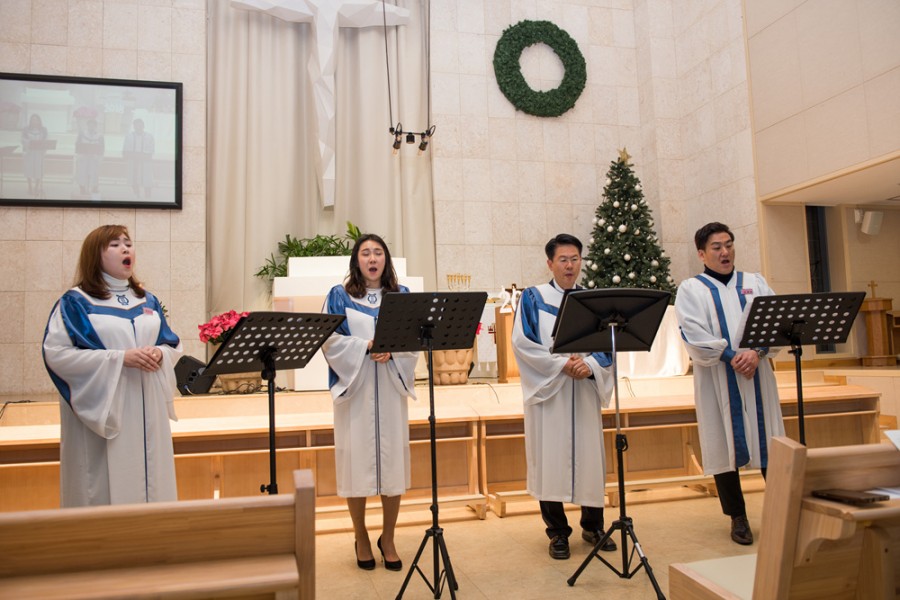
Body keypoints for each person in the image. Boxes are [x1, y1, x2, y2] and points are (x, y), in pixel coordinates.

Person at [42, 225, 182, 507]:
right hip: (106, 410)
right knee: (105, 485)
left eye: (128, 243)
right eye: (115, 244)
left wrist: (159, 354)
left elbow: (172, 345)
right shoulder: (77, 302)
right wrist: (119, 359)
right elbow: (56, 354)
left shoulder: (148, 300)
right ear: (96, 255)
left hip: (148, 410)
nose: (125, 248)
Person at [674, 222, 784, 545]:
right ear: (701, 253)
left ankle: (783, 510)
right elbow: (693, 334)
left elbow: (777, 320)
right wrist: (733, 355)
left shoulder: (755, 283)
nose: (725, 252)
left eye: (729, 244)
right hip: (719, 377)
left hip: (758, 374)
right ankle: (737, 516)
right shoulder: (691, 290)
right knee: (724, 441)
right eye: (717, 247)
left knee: (771, 441)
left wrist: (757, 352)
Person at [512, 233, 617, 560]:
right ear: (550, 263)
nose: (570, 266)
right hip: (550, 393)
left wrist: (589, 364)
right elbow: (523, 344)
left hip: (584, 388)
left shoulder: (594, 300)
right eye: (563, 260)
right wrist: (561, 365)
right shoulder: (533, 298)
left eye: (575, 259)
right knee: (549, 459)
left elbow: (609, 345)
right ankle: (557, 532)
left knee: (589, 458)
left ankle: (593, 525)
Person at [321, 233, 418, 571]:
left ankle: (388, 537)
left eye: (378, 253)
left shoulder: (402, 296)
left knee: (392, 466)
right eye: (366, 253)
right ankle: (361, 535)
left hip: (391, 388)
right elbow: (329, 340)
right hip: (356, 391)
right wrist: (365, 346)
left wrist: (393, 348)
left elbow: (415, 338)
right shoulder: (339, 295)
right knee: (356, 464)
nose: (372, 258)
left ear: (386, 260)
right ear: (356, 260)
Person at [122, 118, 155, 198]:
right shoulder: (129, 136)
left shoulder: (149, 136)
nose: (138, 127)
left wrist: (144, 155)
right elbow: (125, 148)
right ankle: (137, 194)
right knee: (134, 178)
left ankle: (148, 195)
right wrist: (128, 156)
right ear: (134, 126)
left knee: (147, 178)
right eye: (136, 125)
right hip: (133, 161)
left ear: (143, 126)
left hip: (145, 161)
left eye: (140, 125)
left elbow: (151, 148)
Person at [75, 118, 104, 196]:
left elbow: (102, 148)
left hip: (94, 157)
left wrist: (99, 158)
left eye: (93, 125)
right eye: (90, 124)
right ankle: (82, 188)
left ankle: (94, 188)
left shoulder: (99, 135)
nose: (91, 126)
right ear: (87, 125)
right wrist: (80, 155)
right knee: (82, 172)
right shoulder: (82, 134)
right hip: (83, 157)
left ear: (95, 126)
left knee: (94, 173)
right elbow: (78, 145)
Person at [22, 114, 48, 197]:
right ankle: (29, 186)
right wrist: (29, 143)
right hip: (29, 153)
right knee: (29, 169)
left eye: (36, 120)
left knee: (38, 170)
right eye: (33, 119)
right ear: (31, 121)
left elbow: (46, 140)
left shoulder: (43, 130)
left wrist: (42, 145)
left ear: (39, 121)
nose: (34, 121)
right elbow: (23, 140)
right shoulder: (26, 130)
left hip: (39, 153)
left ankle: (36, 187)